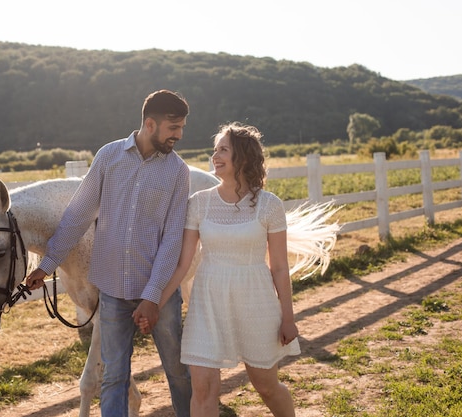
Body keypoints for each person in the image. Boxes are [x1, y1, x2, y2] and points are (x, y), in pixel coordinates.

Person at [25, 89, 192, 417]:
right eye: (173, 127)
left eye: (182, 127)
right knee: (114, 378)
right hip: (113, 293)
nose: (179, 135)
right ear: (149, 124)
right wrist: (46, 266)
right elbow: (77, 216)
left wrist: (153, 296)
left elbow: (173, 239)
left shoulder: (178, 172)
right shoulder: (109, 157)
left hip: (158, 294)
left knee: (178, 373)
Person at [135, 122, 300, 417]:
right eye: (215, 150)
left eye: (223, 149)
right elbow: (183, 264)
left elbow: (279, 267)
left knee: (266, 386)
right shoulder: (199, 203)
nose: (215, 156)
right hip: (208, 304)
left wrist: (288, 318)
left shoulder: (269, 205)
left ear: (244, 156)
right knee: (204, 390)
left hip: (255, 303)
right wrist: (154, 303)